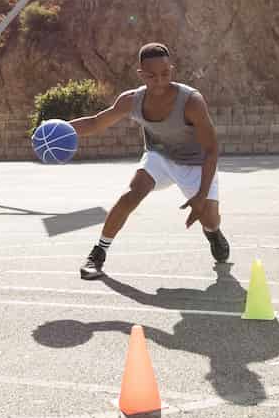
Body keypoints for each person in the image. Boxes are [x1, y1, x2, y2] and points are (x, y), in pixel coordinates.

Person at [66, 43, 227, 280]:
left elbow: (212, 149)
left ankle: (213, 233)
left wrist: (201, 195)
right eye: (152, 76)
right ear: (141, 75)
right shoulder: (131, 100)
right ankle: (98, 253)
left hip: (196, 162)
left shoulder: (192, 101)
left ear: (171, 69)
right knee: (132, 193)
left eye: (165, 74)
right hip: (159, 156)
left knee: (209, 219)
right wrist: (57, 129)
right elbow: (95, 123)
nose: (160, 81)